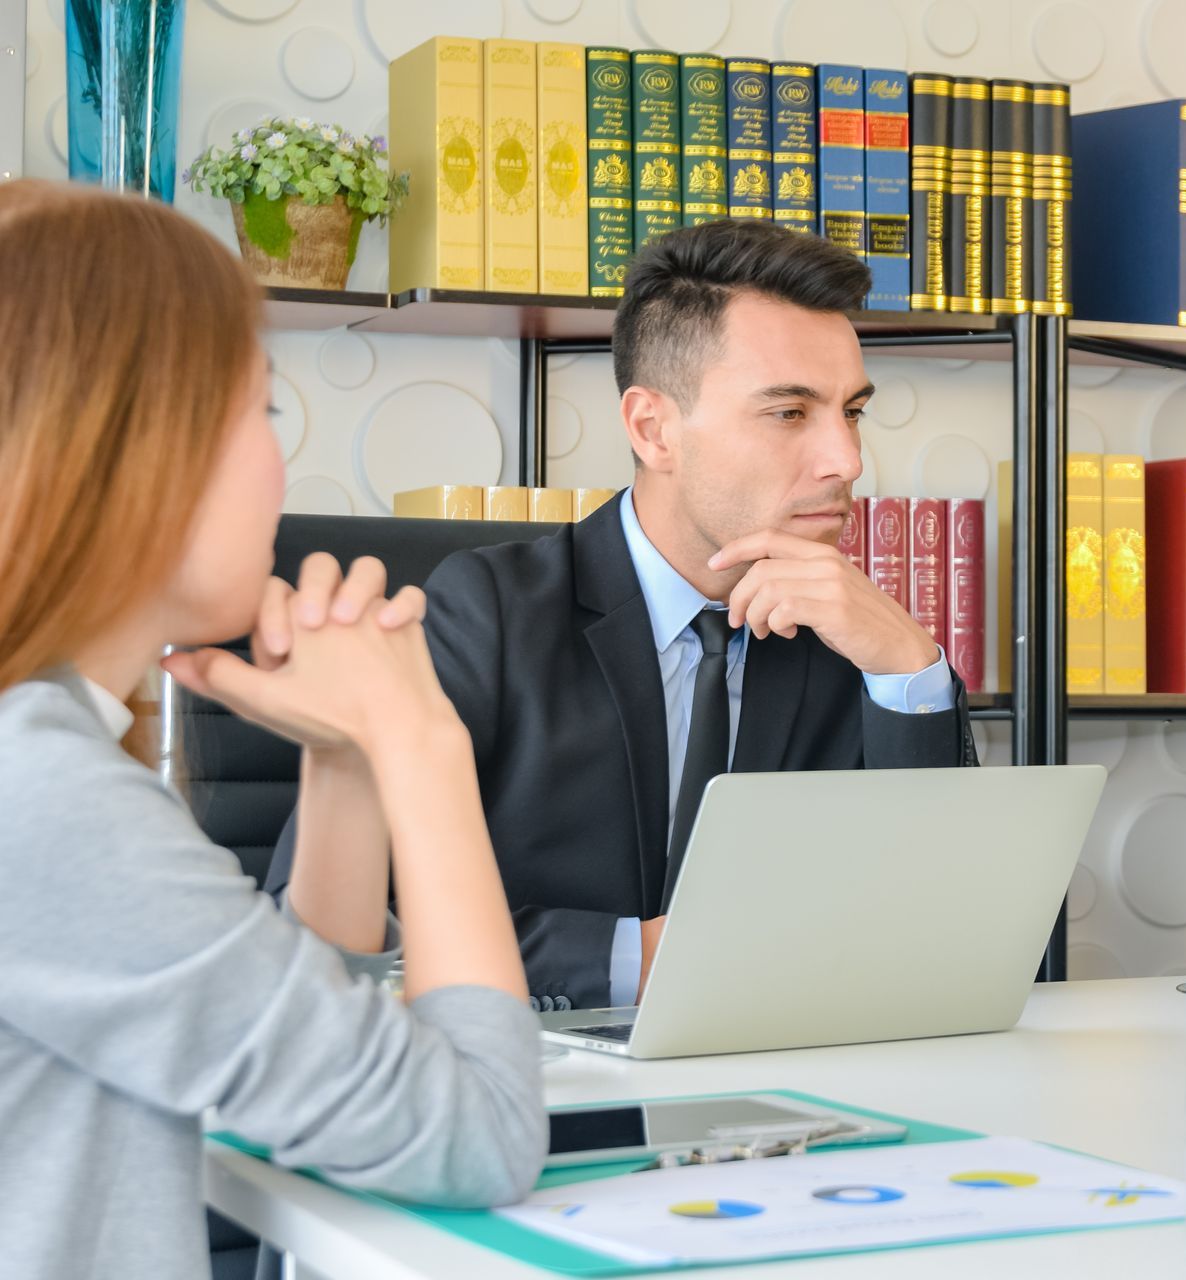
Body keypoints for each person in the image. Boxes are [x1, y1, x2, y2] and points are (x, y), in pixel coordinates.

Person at [0, 181, 549, 1279]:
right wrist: (418, 738)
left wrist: (343, 760)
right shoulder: (40, 790)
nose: (278, 465)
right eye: (260, 412)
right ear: (136, 449)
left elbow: (312, 1062)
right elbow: (479, 1135)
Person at [268, 218, 977, 1012]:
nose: (845, 460)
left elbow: (944, 926)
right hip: (529, 1089)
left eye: (853, 413)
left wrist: (910, 669)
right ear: (653, 428)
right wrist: (635, 957)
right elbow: (341, 926)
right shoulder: (487, 614)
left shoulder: (850, 636)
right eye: (789, 413)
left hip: (791, 1093)